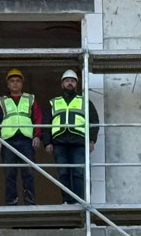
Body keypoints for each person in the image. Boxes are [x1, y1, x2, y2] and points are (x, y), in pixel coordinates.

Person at [43, 70, 100, 204]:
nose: (70, 83)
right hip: (59, 143)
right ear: (62, 84)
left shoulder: (84, 101)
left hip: (79, 143)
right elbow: (46, 123)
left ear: (76, 84)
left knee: (79, 173)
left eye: (72, 81)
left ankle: (79, 202)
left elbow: (94, 121)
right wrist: (47, 142)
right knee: (63, 173)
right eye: (67, 81)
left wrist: (92, 140)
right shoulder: (54, 102)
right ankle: (67, 202)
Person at [0, 68, 43, 205]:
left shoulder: (30, 99)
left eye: (18, 81)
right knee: (10, 173)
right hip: (8, 140)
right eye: (12, 81)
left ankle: (29, 201)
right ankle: (11, 201)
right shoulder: (2, 101)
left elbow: (38, 119)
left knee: (29, 172)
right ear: (8, 85)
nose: (15, 84)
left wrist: (37, 136)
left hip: (26, 140)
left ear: (22, 84)